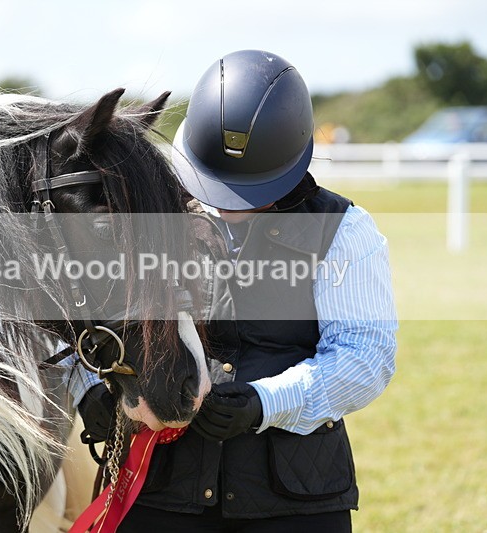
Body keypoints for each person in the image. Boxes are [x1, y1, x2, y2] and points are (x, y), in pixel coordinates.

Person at [75, 49, 397, 532]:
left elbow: (365, 356)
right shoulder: (147, 215)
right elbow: (80, 310)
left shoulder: (345, 230)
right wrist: (89, 392)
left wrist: (265, 403)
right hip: (163, 491)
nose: (227, 206)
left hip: (291, 499)